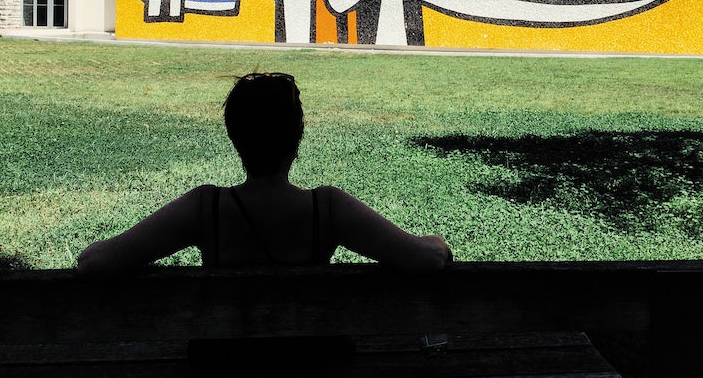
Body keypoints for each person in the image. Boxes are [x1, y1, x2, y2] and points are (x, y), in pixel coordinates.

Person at [77, 72, 452, 274]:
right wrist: (436, 241)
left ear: (235, 136)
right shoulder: (328, 209)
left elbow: (95, 263)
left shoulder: (205, 208)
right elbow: (428, 258)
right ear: (296, 138)